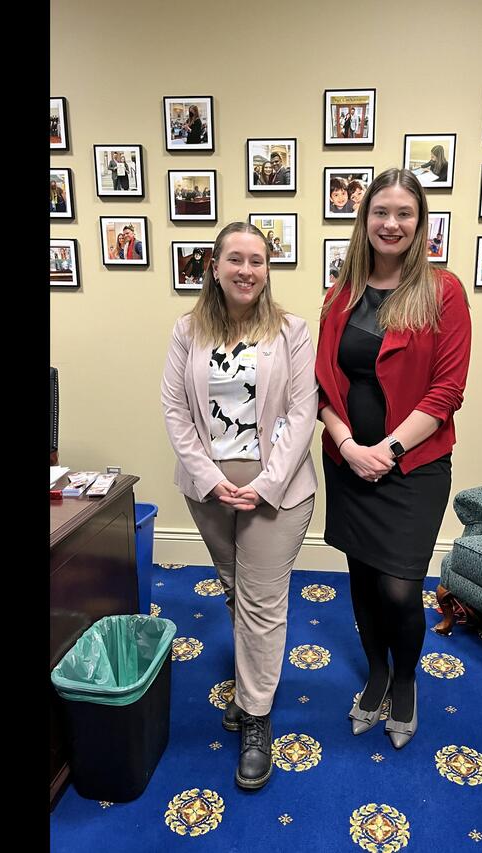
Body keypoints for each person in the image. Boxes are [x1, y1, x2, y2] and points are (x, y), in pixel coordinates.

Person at [315, 167, 471, 750]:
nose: (391, 223)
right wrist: (350, 447)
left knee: (401, 589)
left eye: (404, 213)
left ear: (419, 222)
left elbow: (446, 390)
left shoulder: (443, 291)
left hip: (414, 467)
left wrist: (388, 449)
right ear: (365, 219)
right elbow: (321, 386)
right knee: (361, 577)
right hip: (349, 461)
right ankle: (375, 672)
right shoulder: (341, 293)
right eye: (381, 212)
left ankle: (404, 679)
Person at [161, 222, 318, 790]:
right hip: (209, 492)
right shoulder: (187, 331)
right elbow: (175, 410)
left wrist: (267, 483)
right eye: (235, 259)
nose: (246, 269)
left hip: (275, 493)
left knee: (261, 599)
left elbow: (304, 412)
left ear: (268, 269)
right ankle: (252, 684)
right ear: (215, 266)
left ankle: (255, 716)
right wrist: (207, 477)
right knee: (235, 590)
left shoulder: (293, 331)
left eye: (257, 260)